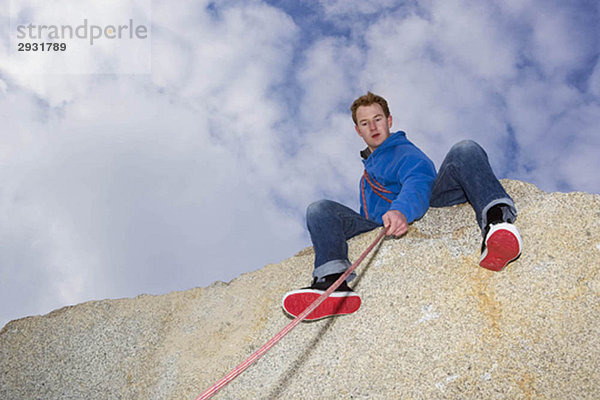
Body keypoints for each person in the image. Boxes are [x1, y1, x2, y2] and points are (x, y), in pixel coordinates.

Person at [282, 92, 522, 320]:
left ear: (389, 120)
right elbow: (367, 217)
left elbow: (418, 181)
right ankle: (333, 282)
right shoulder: (366, 179)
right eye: (365, 124)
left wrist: (401, 211)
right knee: (319, 209)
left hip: (428, 201)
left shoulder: (402, 151)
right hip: (379, 225)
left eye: (378, 119)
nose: (373, 127)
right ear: (358, 131)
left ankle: (496, 223)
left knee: (465, 149)